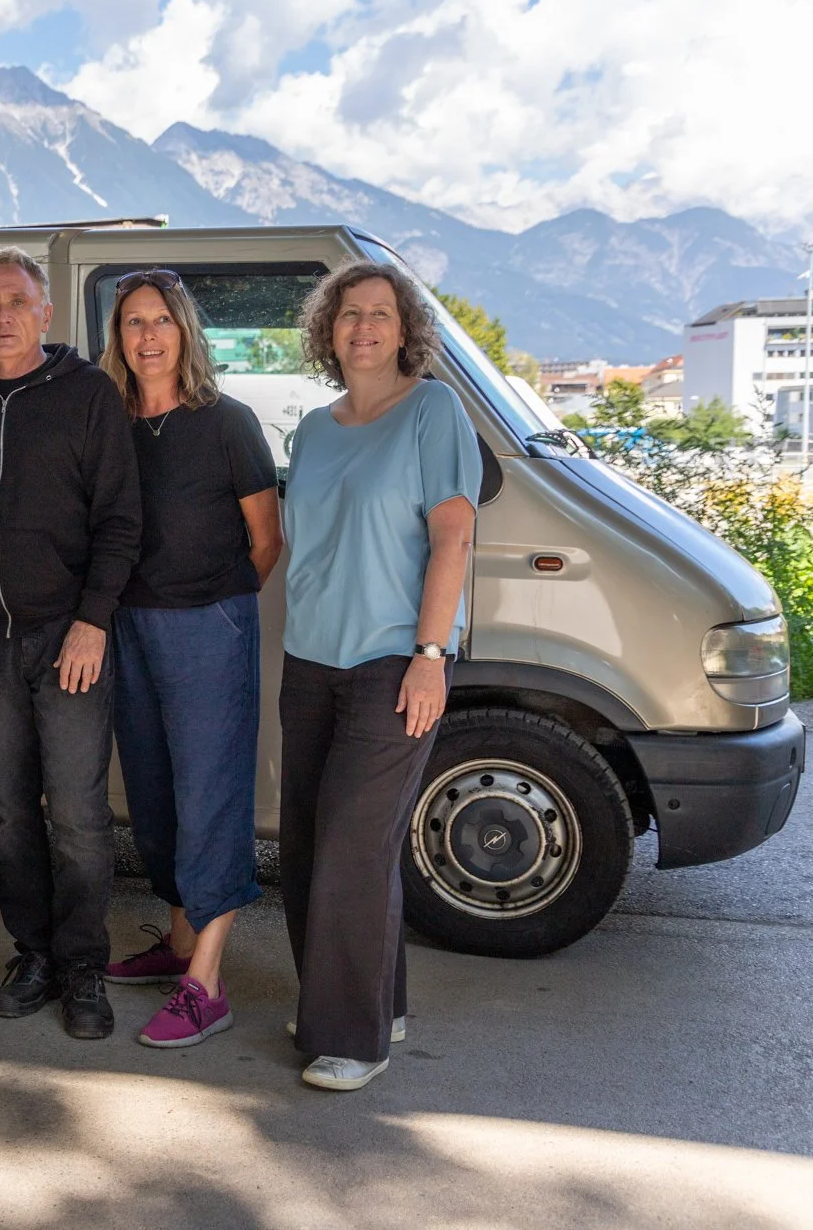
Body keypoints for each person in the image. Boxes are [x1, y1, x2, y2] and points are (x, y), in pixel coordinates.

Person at [279, 261, 481, 1091]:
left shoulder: (434, 411)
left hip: (393, 661)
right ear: (329, 331)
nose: (363, 326)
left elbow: (453, 541)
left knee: (354, 852)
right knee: (306, 845)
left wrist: (431, 657)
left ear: (406, 331)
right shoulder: (315, 430)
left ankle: (351, 1039)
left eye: (380, 314)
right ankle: (372, 998)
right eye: (348, 314)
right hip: (310, 659)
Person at [0, 247, 142, 1041]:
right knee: (10, 813)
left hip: (70, 637)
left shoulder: (89, 394)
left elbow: (121, 521)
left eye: (17, 301)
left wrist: (92, 621)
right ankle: (34, 955)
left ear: (46, 311)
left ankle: (86, 964)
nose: (2, 317)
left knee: (81, 816)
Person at [97, 270, 282, 1048]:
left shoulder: (228, 422)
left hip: (209, 626)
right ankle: (177, 946)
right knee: (153, 790)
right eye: (133, 322)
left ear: (185, 332)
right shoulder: (108, 422)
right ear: (119, 336)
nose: (147, 336)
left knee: (210, 796)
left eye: (161, 321)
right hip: (128, 626)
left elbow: (266, 540)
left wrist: (218, 609)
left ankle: (206, 982)